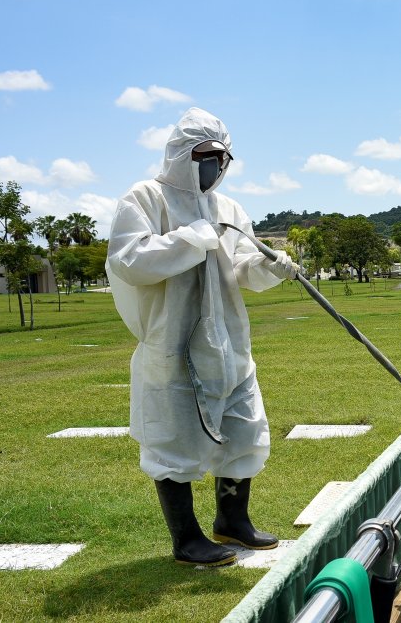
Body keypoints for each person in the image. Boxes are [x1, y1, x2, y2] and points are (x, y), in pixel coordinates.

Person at [106, 107, 300, 566]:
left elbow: (241, 269)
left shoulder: (228, 209)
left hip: (229, 342)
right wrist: (193, 237)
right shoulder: (146, 197)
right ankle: (186, 537)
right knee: (171, 437)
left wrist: (271, 267)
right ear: (180, 155)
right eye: (206, 155)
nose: (216, 165)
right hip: (170, 345)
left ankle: (233, 520)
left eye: (223, 156)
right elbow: (128, 260)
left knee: (244, 430)